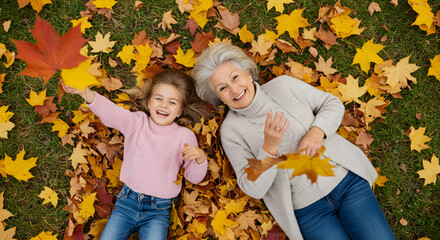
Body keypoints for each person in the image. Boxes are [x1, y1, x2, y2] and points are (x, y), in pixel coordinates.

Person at [191, 43, 396, 240]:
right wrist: (268, 148)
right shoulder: (231, 131)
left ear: (247, 73)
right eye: (223, 88)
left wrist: (317, 132)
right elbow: (252, 188)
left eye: (235, 77)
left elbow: (331, 103)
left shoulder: (283, 86)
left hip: (347, 185)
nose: (234, 89)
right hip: (309, 212)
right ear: (218, 97)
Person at [62, 69, 209, 240]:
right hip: (127, 203)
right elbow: (113, 114)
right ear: (148, 103)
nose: (164, 105)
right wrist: (85, 93)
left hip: (158, 211)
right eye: (159, 99)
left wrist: (200, 158)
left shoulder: (184, 136)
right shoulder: (138, 123)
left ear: (180, 110)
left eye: (172, 102)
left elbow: (193, 177)